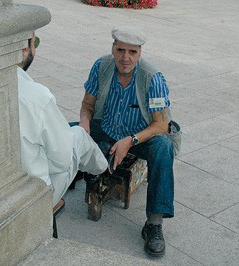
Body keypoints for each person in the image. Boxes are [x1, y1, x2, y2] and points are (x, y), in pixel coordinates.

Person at [79, 26, 174, 257]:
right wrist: (84, 127)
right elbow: (87, 106)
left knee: (164, 147)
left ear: (140, 53)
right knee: (62, 132)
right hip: (107, 127)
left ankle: (154, 223)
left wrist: (129, 141)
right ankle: (77, 171)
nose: (125, 58)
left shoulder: (152, 78)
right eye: (120, 50)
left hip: (139, 136)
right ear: (113, 48)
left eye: (132, 52)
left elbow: (161, 125)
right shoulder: (101, 66)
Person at [17, 33, 108, 237]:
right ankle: (101, 169)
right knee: (77, 136)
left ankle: (97, 166)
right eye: (35, 42)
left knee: (67, 135)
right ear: (25, 49)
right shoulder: (36, 96)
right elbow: (62, 161)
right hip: (34, 196)